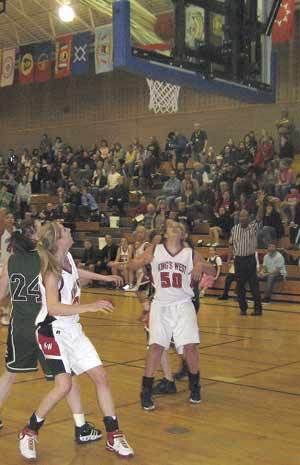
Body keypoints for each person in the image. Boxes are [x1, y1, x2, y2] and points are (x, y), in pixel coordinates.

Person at [19, 222, 133, 460]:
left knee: (101, 376)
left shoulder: (67, 257)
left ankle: (114, 435)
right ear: (59, 240)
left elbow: (76, 273)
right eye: (67, 232)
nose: (71, 233)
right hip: (52, 330)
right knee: (64, 385)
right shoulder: (50, 271)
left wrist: (104, 277)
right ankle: (30, 431)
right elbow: (53, 307)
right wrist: (90, 306)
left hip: (73, 329)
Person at [0, 219, 104, 443]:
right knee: (67, 377)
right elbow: (74, 275)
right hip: (46, 325)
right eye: (42, 227)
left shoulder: (12, 260)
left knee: (10, 375)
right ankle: (81, 426)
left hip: (19, 327)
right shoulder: (46, 258)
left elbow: (1, 292)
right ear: (36, 237)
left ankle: (78, 427)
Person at [129, 221, 207, 410]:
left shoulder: (191, 254)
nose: (174, 229)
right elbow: (132, 265)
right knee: (156, 347)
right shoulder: (155, 249)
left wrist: (200, 266)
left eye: (179, 228)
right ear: (165, 234)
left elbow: (210, 269)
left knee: (190, 348)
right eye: (172, 227)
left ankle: (195, 386)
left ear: (183, 235)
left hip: (183, 304)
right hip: (161, 305)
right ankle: (145, 391)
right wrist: (138, 262)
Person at [228, 209, 263, 316]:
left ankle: (258, 309)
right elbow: (231, 244)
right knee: (240, 286)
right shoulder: (234, 229)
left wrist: (261, 204)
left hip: (250, 260)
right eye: (241, 216)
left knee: (254, 286)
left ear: (248, 218)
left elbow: (259, 217)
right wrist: (230, 258)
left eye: (245, 216)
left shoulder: (253, 227)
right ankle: (243, 308)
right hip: (238, 260)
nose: (242, 218)